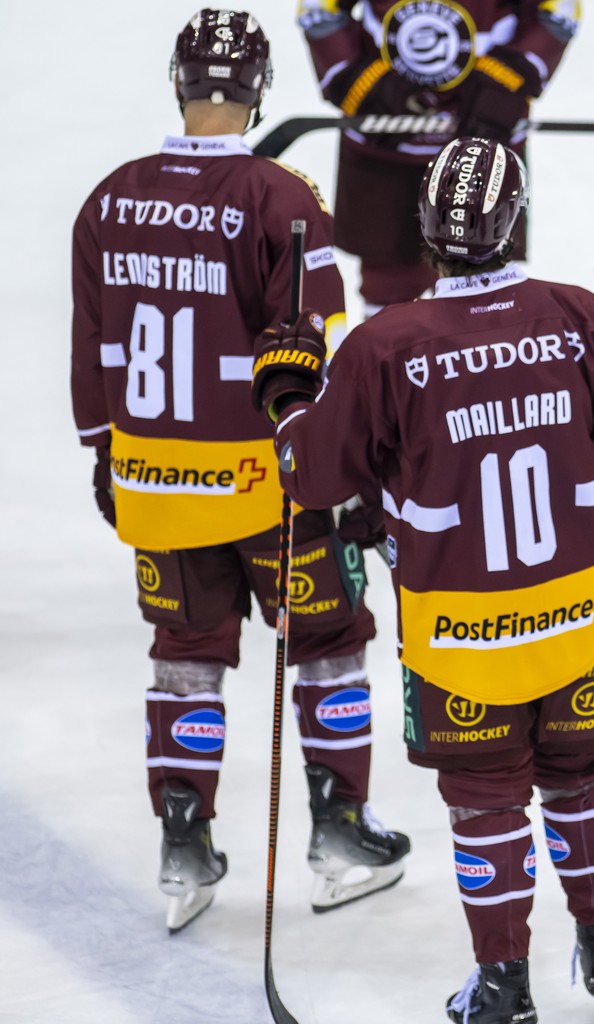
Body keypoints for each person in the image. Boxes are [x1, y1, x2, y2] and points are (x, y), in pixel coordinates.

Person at [254, 136, 594, 1023]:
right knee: (582, 779)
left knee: (486, 806)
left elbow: (312, 478)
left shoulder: (383, 345)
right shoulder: (579, 315)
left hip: (455, 638)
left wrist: (289, 395)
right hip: (575, 615)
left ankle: (504, 985)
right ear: (516, 223)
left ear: (425, 232)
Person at [69, 8, 409, 934]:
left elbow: (92, 352)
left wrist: (106, 453)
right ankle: (339, 832)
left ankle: (184, 843)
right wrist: (353, 475)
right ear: (259, 93)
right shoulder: (283, 199)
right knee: (330, 643)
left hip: (154, 482)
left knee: (185, 658)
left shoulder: (108, 198)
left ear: (176, 85)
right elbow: (319, 358)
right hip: (273, 484)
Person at [296, 0, 579, 316]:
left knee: (485, 287)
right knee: (389, 289)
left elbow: (559, 9)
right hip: (384, 152)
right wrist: (361, 83)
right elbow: (318, 8)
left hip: (484, 155)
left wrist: (507, 78)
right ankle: (386, 359)